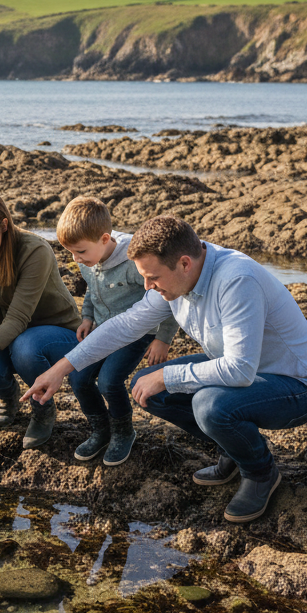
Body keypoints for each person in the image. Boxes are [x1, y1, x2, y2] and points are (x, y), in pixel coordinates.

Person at [23, 215, 307, 523]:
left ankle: (260, 472)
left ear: (184, 263)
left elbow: (240, 369)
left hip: (297, 385)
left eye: (152, 277)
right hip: (244, 367)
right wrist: (61, 369)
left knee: (210, 406)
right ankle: (235, 451)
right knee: (147, 387)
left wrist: (168, 375)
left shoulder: (237, 280)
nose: (146, 285)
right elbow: (126, 325)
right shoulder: (174, 282)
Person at [0, 190, 82, 449]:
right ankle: (9, 399)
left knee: (25, 347)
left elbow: (18, 318)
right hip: (15, 334)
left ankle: (42, 409)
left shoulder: (35, 251)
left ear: (4, 226)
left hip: (59, 334)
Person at [56, 196, 179, 466]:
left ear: (104, 239)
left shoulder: (134, 263)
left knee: (109, 382)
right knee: (78, 379)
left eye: (80, 252)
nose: (76, 259)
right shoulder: (87, 258)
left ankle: (124, 432)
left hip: (137, 334)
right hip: (101, 329)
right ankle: (101, 430)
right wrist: (87, 316)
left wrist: (162, 339)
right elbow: (91, 289)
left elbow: (169, 298)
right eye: (71, 253)